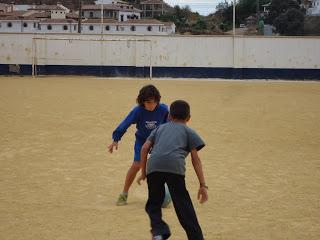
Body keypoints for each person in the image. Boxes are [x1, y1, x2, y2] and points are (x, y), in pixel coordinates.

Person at [137, 100, 208, 240]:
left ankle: (159, 232)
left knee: (153, 204)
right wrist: (202, 185)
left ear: (169, 115)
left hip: (154, 167)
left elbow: (144, 148)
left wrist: (144, 172)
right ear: (188, 118)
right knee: (184, 207)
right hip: (175, 168)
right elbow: (196, 160)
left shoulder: (159, 129)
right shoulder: (189, 131)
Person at [108, 84, 169, 206]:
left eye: (154, 102)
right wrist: (116, 138)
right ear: (142, 102)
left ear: (157, 100)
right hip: (142, 141)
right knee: (136, 165)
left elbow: (170, 126)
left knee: (160, 167)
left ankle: (162, 194)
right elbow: (125, 122)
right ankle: (124, 194)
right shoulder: (138, 111)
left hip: (158, 142)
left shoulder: (164, 110)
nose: (151, 106)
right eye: (148, 102)